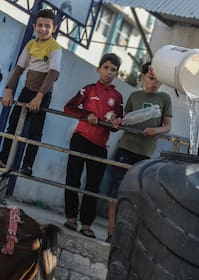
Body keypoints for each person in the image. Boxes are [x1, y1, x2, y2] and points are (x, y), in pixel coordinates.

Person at [106, 62, 172, 242]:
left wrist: (155, 130)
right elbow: (125, 119)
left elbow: (167, 126)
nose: (154, 83)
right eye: (151, 78)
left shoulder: (164, 99)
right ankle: (111, 230)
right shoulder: (135, 96)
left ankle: (127, 231)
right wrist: (118, 121)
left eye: (158, 80)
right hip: (126, 147)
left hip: (144, 153)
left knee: (137, 192)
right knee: (115, 189)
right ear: (143, 77)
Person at [63, 53, 123, 239]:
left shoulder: (117, 96)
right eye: (106, 67)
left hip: (100, 145)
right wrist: (86, 114)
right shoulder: (88, 89)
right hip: (81, 139)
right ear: (98, 69)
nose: (109, 72)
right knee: (73, 179)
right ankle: (71, 218)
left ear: (116, 74)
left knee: (93, 186)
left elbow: (117, 124)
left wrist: (116, 123)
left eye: (113, 70)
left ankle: (87, 224)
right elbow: (69, 107)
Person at [0, 9, 62, 176]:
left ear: (54, 28)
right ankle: (3, 158)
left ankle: (27, 165)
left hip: (43, 94)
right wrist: (9, 90)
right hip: (27, 91)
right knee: (13, 124)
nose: (43, 29)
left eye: (47, 26)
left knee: (35, 131)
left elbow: (52, 75)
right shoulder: (30, 45)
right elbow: (19, 69)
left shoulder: (55, 48)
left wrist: (39, 97)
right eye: (40, 25)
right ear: (34, 26)